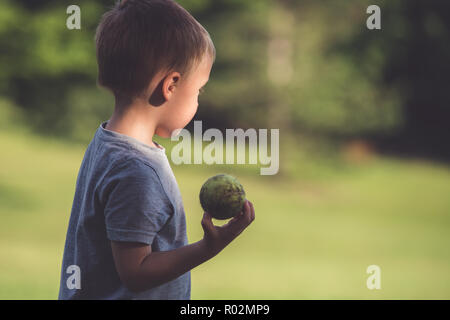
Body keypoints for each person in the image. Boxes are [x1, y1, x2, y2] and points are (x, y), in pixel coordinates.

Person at [58, 0, 255, 300]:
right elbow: (136, 272)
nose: (198, 101)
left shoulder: (106, 143)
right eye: (198, 90)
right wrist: (209, 246)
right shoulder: (136, 170)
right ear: (171, 85)